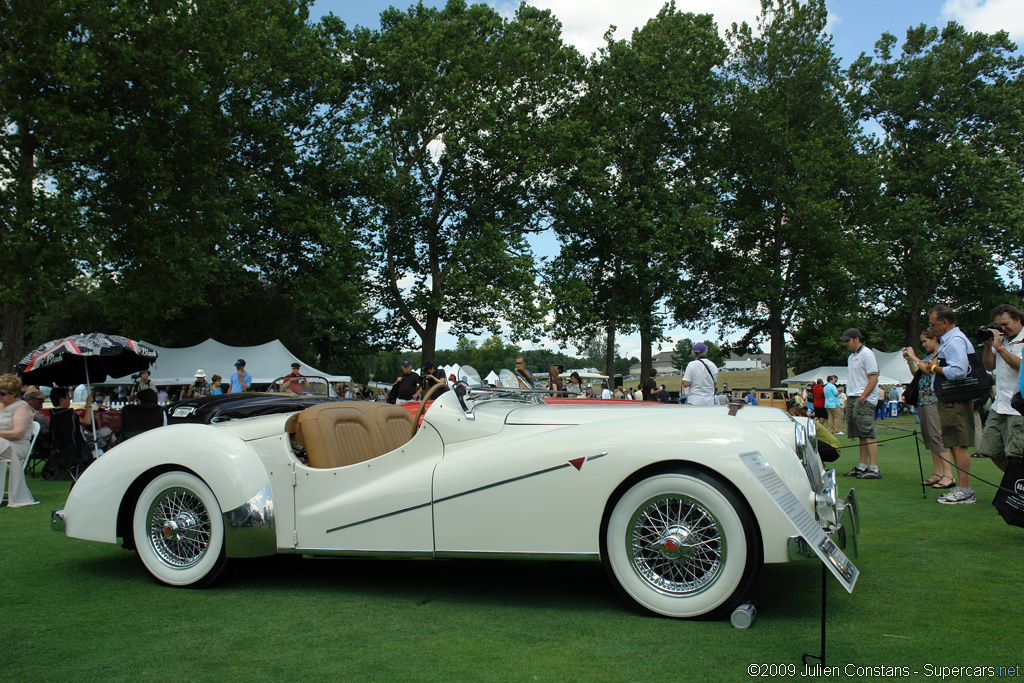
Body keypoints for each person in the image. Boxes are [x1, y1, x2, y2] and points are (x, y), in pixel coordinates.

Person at [920, 305, 977, 504]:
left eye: (932, 323)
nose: (931, 327)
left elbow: (959, 371)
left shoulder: (954, 341)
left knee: (958, 444)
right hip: (950, 399)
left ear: (944, 323)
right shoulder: (951, 340)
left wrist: (934, 367)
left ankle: (965, 490)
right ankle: (963, 488)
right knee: (954, 443)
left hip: (956, 399)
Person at [903, 330, 955, 489]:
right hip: (923, 400)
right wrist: (910, 361)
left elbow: (927, 369)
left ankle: (948, 474)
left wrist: (914, 357)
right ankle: (938, 472)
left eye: (925, 341)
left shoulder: (942, 354)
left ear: (935, 339)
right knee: (930, 437)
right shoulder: (928, 356)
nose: (924, 344)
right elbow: (917, 373)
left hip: (934, 399)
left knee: (937, 436)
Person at [977, 304, 1024, 474]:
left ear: (1017, 319)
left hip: (1019, 407)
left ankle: (1017, 487)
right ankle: (1015, 484)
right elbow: (989, 366)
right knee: (990, 449)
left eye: (1005, 324)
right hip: (1000, 404)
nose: (1002, 329)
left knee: (1017, 454)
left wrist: (999, 348)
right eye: (999, 325)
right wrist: (988, 344)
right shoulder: (1000, 340)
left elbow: (1022, 366)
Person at [840, 328, 881, 479]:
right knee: (860, 434)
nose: (845, 344)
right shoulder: (851, 357)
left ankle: (874, 468)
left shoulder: (867, 354)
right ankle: (863, 466)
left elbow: (874, 378)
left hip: (864, 398)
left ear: (856, 339)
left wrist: (863, 397)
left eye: (847, 340)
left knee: (867, 432)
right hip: (853, 396)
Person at [0, 375, 39, 507]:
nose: (0, 396)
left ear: (13, 393)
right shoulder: (1, 405)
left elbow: (17, 433)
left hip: (16, 446)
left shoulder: (22, 407)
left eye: (2, 393)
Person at [22, 387, 50, 457]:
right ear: (29, 400)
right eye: (39, 399)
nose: (43, 401)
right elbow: (47, 432)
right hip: (47, 446)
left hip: (35, 446)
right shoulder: (37, 415)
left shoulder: (22, 413)